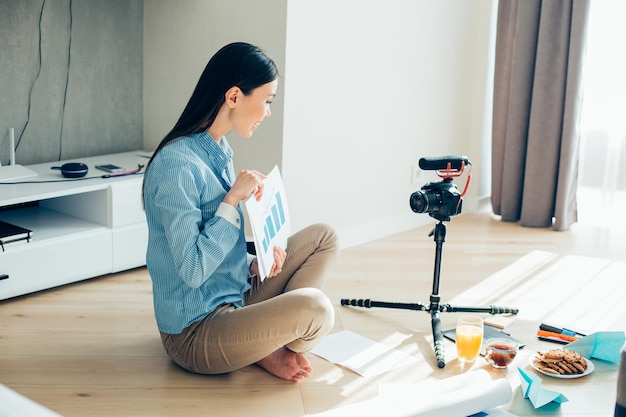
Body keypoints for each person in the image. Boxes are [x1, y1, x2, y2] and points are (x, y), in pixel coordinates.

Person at [142, 42, 339, 382]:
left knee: (324, 237)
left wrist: (254, 263)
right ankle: (265, 346)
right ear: (234, 97)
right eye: (266, 101)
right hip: (195, 332)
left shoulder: (219, 149)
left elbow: (215, 241)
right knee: (317, 308)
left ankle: (261, 343)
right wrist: (231, 201)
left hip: (232, 296)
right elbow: (191, 268)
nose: (267, 112)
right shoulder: (177, 166)